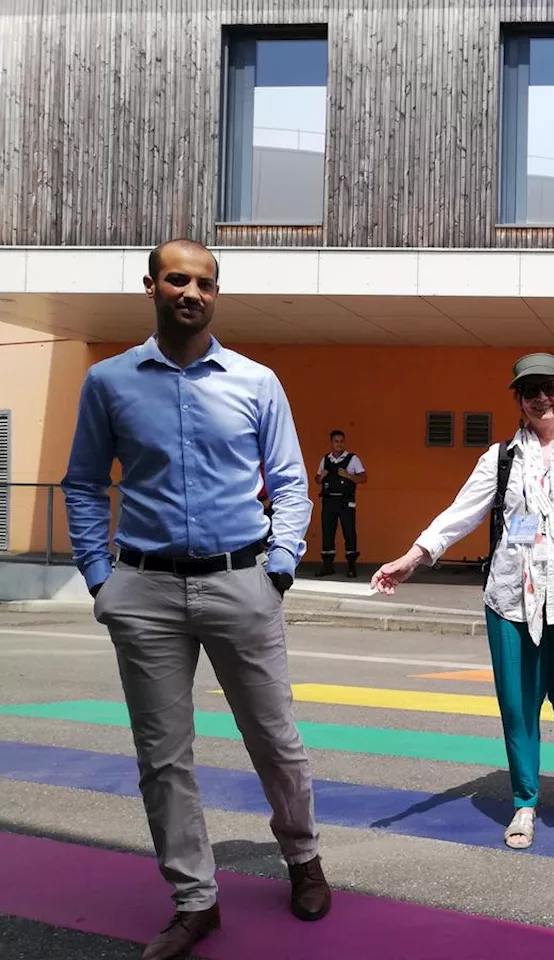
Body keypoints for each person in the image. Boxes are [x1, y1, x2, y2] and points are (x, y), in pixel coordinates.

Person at [61, 239, 330, 960]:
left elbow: (291, 482)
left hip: (243, 582)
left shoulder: (256, 381)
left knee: (275, 739)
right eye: (177, 279)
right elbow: (83, 483)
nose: (191, 291)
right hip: (142, 589)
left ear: (217, 293)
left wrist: (278, 567)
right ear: (150, 286)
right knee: (163, 757)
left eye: (204, 282)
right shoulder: (109, 383)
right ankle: (194, 899)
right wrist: (98, 576)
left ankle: (302, 857)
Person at [371, 352, 554, 849]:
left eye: (550, 388)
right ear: (517, 400)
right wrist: (413, 557)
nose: (541, 397)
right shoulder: (501, 458)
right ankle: (524, 800)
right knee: (517, 708)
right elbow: (461, 513)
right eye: (530, 390)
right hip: (512, 601)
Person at [314, 429, 366, 578]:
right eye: (336, 441)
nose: (339, 444)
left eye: (342, 441)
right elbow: (317, 480)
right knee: (328, 531)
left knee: (349, 531)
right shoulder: (325, 459)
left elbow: (363, 477)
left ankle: (351, 565)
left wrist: (348, 475)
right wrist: (320, 477)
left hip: (346, 501)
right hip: (328, 500)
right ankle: (327, 565)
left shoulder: (352, 459)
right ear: (331, 443)